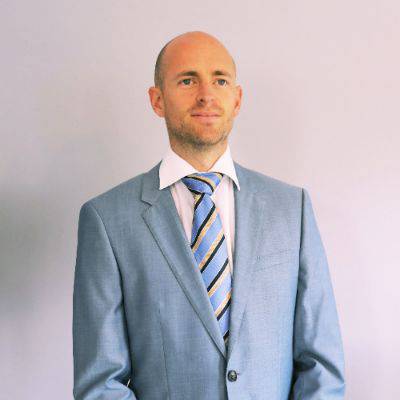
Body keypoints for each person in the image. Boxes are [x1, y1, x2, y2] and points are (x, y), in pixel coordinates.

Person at [72, 31, 345, 399]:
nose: (206, 94)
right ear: (157, 100)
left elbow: (321, 365)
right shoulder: (107, 221)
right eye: (187, 80)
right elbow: (100, 382)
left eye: (220, 80)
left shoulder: (290, 208)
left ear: (237, 99)